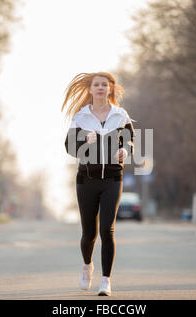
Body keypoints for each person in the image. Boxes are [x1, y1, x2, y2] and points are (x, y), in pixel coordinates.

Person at [61, 72, 135, 296]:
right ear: (91, 89)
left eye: (105, 85)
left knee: (107, 229)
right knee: (89, 233)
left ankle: (106, 280)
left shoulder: (120, 116)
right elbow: (69, 147)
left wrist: (126, 149)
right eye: (97, 85)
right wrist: (85, 140)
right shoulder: (81, 117)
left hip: (113, 178)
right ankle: (87, 266)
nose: (101, 88)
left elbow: (132, 140)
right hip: (87, 180)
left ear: (110, 89)